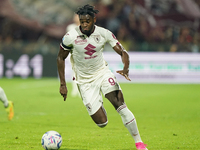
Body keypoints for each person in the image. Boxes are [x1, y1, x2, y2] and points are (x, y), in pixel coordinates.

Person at [57, 4, 148, 150]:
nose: (84, 25)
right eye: (82, 22)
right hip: (84, 81)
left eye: (87, 21)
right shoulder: (70, 37)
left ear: (94, 19)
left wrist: (126, 68)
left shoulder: (104, 33)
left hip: (102, 73)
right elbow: (60, 58)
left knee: (121, 105)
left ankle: (139, 143)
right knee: (102, 123)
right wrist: (63, 84)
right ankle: (98, 100)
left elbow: (122, 51)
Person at [66, 14, 80, 97]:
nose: (76, 19)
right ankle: (75, 90)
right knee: (74, 71)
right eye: (75, 17)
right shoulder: (70, 27)